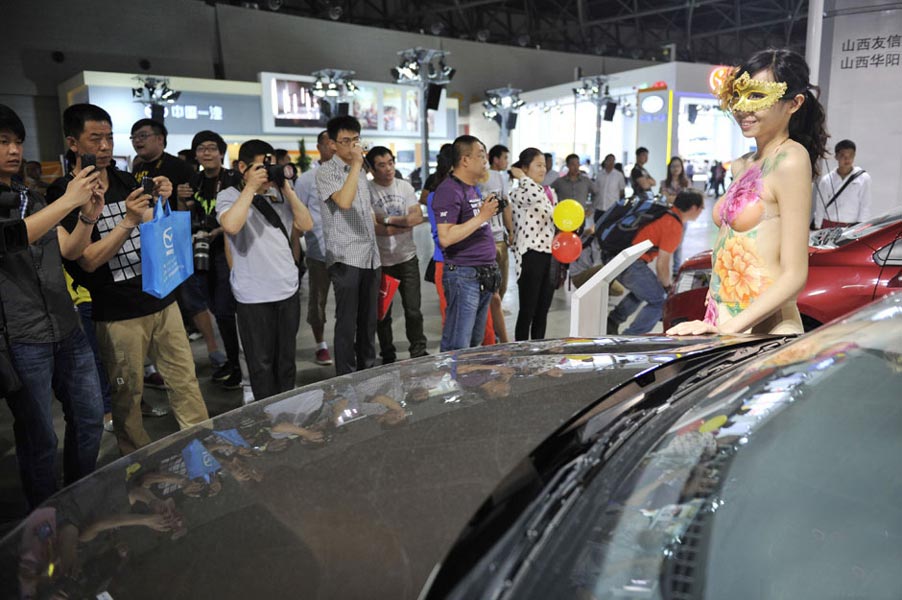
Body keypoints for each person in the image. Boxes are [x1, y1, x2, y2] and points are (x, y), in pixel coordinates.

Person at [50, 103, 209, 456]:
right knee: (127, 396)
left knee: (185, 381)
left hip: (162, 297)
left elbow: (156, 231)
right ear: (74, 143)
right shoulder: (62, 195)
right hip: (116, 311)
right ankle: (138, 465)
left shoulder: (126, 180)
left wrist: (164, 198)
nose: (105, 146)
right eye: (96, 139)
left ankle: (203, 452)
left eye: (109, 137)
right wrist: (128, 222)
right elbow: (87, 261)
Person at [668, 48, 828, 336]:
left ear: (794, 103)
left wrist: (729, 330)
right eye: (738, 95)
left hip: (763, 332)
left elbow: (794, 275)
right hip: (724, 323)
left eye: (756, 96)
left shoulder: (791, 159)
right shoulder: (743, 164)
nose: (743, 107)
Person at [0, 104, 105, 508]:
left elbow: (69, 250)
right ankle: (44, 518)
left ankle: (80, 499)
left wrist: (87, 217)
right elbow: (12, 238)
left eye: (17, 142)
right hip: (22, 338)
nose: (14, 150)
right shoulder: (35, 203)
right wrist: (67, 203)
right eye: (4, 142)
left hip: (67, 327)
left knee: (90, 419)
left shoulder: (31, 196)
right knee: (39, 437)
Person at [217, 139, 313, 400]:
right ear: (241, 167)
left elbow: (305, 224)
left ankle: (287, 409)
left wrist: (288, 189)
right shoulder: (229, 196)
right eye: (260, 167)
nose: (266, 173)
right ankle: (268, 416)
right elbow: (232, 226)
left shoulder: (280, 194)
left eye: (269, 166)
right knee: (260, 364)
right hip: (253, 295)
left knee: (286, 361)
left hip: (287, 289)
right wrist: (250, 187)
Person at [131, 118, 226, 369]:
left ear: (160, 139)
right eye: (134, 137)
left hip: (177, 243)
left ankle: (214, 349)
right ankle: (157, 361)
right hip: (146, 243)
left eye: (143, 135)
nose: (138, 141)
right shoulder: (136, 167)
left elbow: (192, 208)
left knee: (192, 298)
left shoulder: (179, 167)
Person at [315, 116, 381, 375]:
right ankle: (345, 377)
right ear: (332, 144)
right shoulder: (326, 172)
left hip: (370, 256)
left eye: (356, 140)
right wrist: (356, 165)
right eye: (346, 141)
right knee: (346, 322)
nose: (353, 146)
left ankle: (368, 372)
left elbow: (364, 208)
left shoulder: (360, 170)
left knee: (368, 321)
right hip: (345, 257)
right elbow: (343, 201)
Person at [184, 130, 243, 389]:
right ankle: (232, 361)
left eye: (211, 148)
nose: (206, 153)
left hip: (227, 250)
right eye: (201, 148)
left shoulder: (232, 179)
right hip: (202, 250)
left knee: (225, 309)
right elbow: (189, 214)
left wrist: (218, 230)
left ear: (221, 152)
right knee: (217, 309)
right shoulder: (193, 181)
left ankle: (238, 366)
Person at [433, 135, 500, 351]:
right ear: (465, 160)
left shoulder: (472, 188)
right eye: (480, 156)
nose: (485, 161)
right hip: (464, 276)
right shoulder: (448, 189)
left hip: (483, 274)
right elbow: (446, 237)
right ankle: (451, 383)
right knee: (457, 345)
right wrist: (482, 216)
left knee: (473, 343)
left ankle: (466, 382)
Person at [607, 190, 705, 335]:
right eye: (701, 207)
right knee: (660, 301)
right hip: (631, 263)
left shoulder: (666, 213)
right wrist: (667, 288)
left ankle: (613, 321)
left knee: (645, 291)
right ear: (693, 208)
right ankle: (632, 338)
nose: (702, 211)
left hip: (620, 257)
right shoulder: (673, 225)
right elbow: (662, 265)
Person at [366, 146, 428, 363]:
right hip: (381, 262)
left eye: (390, 162)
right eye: (382, 165)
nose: (388, 168)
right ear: (372, 169)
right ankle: (388, 355)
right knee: (382, 315)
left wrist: (387, 219)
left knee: (413, 310)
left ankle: (418, 351)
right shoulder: (367, 190)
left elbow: (416, 219)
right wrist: (401, 223)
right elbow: (376, 229)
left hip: (407, 258)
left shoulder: (405, 187)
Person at [293, 130, 334, 366]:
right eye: (329, 143)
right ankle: (320, 345)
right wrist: (295, 255)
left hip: (348, 252)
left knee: (349, 302)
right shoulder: (307, 179)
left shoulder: (350, 175)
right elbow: (298, 217)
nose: (333, 148)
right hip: (318, 252)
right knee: (318, 301)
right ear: (319, 146)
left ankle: (347, 341)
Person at [510, 148, 558, 341]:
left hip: (548, 254)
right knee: (527, 310)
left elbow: (554, 216)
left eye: (544, 166)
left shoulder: (546, 192)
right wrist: (521, 177)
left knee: (542, 310)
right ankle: (521, 353)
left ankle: (539, 349)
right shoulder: (518, 194)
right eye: (538, 165)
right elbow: (536, 199)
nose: (543, 170)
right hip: (530, 255)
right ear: (524, 168)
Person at [477, 144, 513, 343]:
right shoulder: (474, 180)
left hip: (500, 238)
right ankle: (492, 334)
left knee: (502, 286)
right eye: (505, 157)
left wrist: (511, 230)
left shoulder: (500, 177)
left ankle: (495, 330)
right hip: (483, 239)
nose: (506, 161)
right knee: (491, 292)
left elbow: (506, 205)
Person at [813, 139, 871, 229]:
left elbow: (865, 204)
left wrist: (861, 226)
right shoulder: (827, 180)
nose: (847, 159)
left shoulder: (863, 178)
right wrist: (817, 225)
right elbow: (820, 206)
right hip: (829, 223)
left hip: (851, 225)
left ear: (854, 155)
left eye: (850, 155)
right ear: (836, 156)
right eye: (843, 155)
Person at [592, 153, 625, 223]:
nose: (611, 163)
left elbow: (622, 191)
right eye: (609, 160)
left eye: (613, 161)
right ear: (605, 161)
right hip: (599, 207)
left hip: (612, 208)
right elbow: (595, 190)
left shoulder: (619, 175)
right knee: (597, 228)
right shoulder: (599, 174)